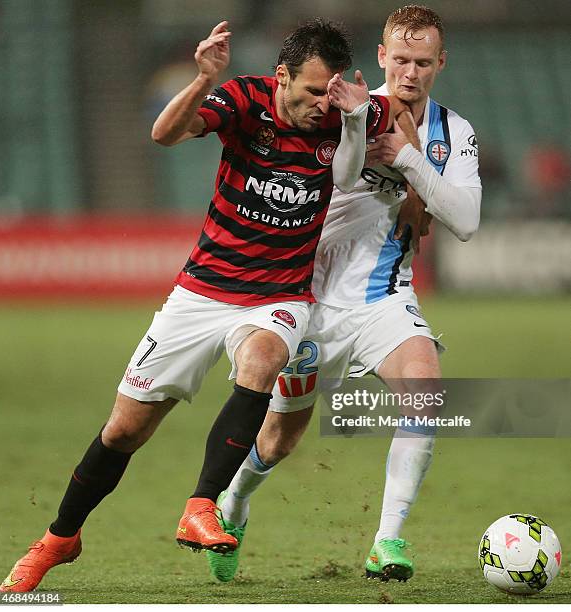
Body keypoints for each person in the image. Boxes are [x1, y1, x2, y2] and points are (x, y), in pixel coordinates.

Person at [0, 19, 418, 593]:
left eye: (332, 91)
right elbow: (164, 134)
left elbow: (399, 103)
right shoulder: (244, 98)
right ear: (281, 77)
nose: (322, 104)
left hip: (280, 295)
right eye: (311, 91)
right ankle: (58, 540)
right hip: (202, 291)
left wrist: (413, 176)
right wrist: (201, 79)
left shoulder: (347, 108)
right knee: (123, 431)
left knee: (264, 359)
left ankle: (202, 504)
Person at [206, 4, 482, 584]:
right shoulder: (337, 110)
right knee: (280, 439)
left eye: (423, 62)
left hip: (383, 297)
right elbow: (334, 177)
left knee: (426, 393)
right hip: (306, 298)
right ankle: (233, 502)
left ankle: (388, 540)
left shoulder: (454, 132)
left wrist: (408, 163)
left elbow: (467, 219)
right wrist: (361, 128)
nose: (411, 73)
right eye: (401, 59)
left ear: (441, 63)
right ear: (381, 57)